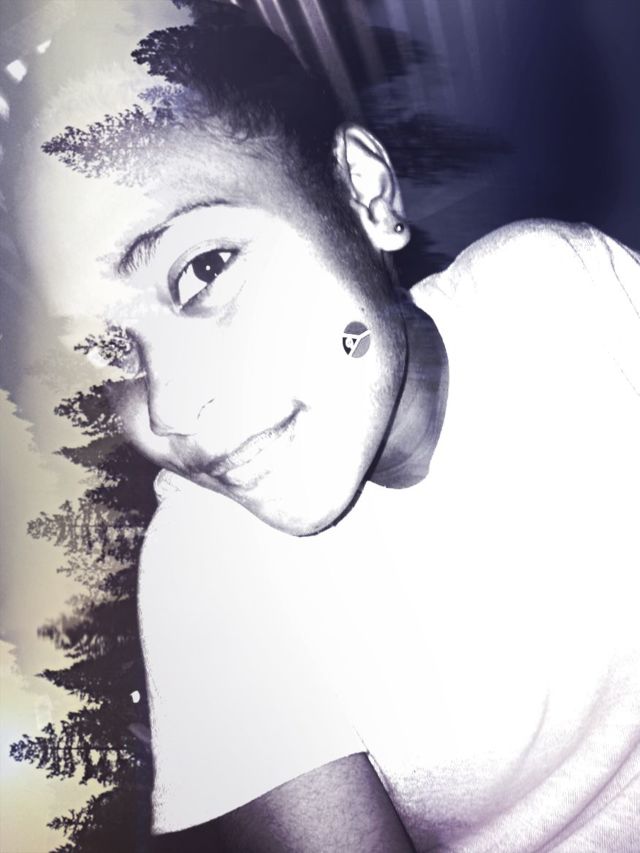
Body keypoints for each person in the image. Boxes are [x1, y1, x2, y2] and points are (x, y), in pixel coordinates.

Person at [10, 1, 640, 850]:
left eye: (203, 269)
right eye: (111, 352)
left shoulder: (559, 288)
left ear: (363, 193)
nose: (167, 409)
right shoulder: (207, 572)